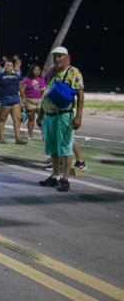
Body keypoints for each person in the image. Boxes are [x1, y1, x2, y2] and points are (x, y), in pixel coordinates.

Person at [38, 46, 84, 192]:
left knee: (65, 146)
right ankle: (55, 176)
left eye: (60, 56)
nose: (57, 59)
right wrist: (41, 114)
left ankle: (65, 179)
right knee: (52, 147)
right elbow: (46, 94)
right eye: (55, 56)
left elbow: (80, 94)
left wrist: (79, 116)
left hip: (63, 115)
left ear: (67, 58)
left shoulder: (73, 72)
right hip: (49, 116)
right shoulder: (52, 73)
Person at [0, 60, 26, 144]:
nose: (8, 66)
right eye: (6, 65)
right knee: (2, 119)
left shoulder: (16, 76)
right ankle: (1, 138)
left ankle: (18, 139)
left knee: (17, 119)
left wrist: (23, 97)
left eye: (10, 65)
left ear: (13, 67)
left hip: (15, 99)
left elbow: (20, 87)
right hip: (3, 99)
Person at [20, 63, 45, 140]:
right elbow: (21, 90)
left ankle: (44, 136)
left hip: (39, 101)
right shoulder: (26, 80)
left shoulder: (42, 80)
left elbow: (43, 90)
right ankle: (30, 136)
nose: (37, 71)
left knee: (42, 119)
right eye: (35, 70)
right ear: (32, 70)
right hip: (30, 101)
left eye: (38, 70)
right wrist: (23, 99)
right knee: (31, 118)